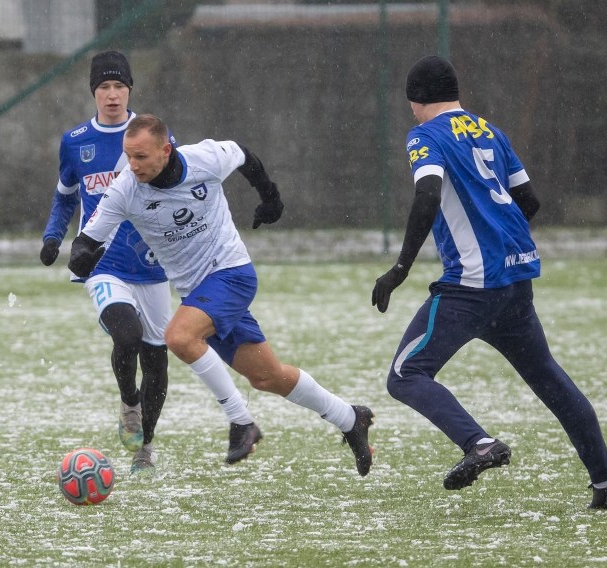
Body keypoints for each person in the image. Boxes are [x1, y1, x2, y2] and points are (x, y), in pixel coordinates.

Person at [371, 55, 607, 508]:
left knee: (405, 374)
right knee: (550, 379)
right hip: (514, 281)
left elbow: (428, 193)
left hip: (471, 286)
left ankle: (480, 444)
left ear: (416, 99)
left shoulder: (424, 135)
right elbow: (528, 200)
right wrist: (497, 235)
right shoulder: (490, 130)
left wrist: (401, 268)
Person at [68, 114, 376, 476]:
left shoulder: (205, 158)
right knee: (268, 377)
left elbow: (244, 155)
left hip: (231, 274)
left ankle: (241, 422)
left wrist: (270, 198)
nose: (132, 166)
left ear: (166, 151)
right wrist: (82, 256)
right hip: (199, 294)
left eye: (141, 157)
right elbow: (87, 241)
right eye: (128, 156)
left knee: (179, 337)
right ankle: (349, 418)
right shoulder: (125, 189)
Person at [40, 51, 172, 474]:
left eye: (119, 86)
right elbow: (64, 198)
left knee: (157, 362)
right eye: (104, 87)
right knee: (126, 336)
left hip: (152, 266)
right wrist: (52, 237)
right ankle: (128, 403)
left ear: (130, 89)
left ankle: (144, 449)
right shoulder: (76, 141)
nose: (112, 95)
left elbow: (181, 192)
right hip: (104, 264)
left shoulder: (154, 136)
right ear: (94, 92)